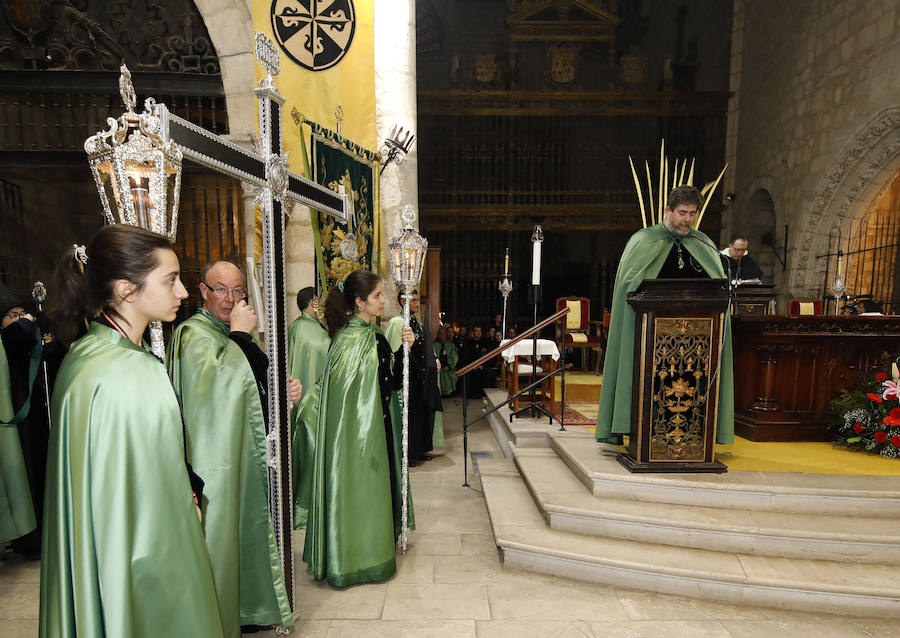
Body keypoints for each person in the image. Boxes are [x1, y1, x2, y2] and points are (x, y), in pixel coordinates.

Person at [40, 225, 223, 637]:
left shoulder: (89, 354)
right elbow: (152, 505)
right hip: (140, 557)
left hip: (109, 552)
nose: (182, 293)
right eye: (171, 280)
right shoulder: (128, 370)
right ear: (126, 289)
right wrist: (187, 505)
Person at [167, 260, 295, 636]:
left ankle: (246, 609)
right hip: (213, 461)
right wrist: (239, 335)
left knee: (245, 528)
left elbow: (250, 387)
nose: (231, 298)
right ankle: (220, 613)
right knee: (222, 534)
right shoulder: (194, 334)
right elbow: (214, 392)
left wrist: (281, 394)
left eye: (238, 290)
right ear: (203, 291)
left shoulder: (231, 332)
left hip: (240, 451)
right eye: (221, 289)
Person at [596, 185, 734, 445]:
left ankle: (693, 436)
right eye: (683, 213)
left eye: (693, 213)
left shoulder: (703, 243)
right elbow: (629, 288)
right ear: (668, 210)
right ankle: (648, 434)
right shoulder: (644, 240)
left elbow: (717, 287)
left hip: (697, 341)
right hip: (652, 339)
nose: (688, 220)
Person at [303, 270, 415, 588]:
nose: (383, 301)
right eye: (378, 295)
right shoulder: (359, 341)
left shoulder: (353, 338)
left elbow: (385, 384)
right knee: (363, 491)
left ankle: (354, 551)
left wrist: (406, 351)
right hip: (366, 435)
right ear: (359, 301)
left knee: (355, 493)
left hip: (365, 433)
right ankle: (363, 557)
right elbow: (386, 386)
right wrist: (401, 355)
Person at [0, 283, 63, 559]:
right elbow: (15, 340)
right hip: (15, 427)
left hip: (40, 422)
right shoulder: (7, 341)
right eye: (11, 315)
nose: (19, 319)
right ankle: (28, 541)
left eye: (21, 313)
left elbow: (57, 357)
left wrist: (45, 332)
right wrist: (25, 324)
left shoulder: (27, 337)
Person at [288, 286, 330, 528]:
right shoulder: (300, 327)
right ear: (311, 302)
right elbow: (299, 360)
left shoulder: (319, 326)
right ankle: (306, 505)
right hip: (307, 400)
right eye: (318, 300)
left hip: (321, 394)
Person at [385, 290, 442, 463]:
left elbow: (424, 346)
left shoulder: (415, 321)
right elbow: (396, 351)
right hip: (407, 377)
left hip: (420, 377)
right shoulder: (397, 322)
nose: (418, 303)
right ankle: (406, 455)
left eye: (418, 300)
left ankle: (418, 450)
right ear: (403, 302)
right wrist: (402, 379)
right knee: (408, 417)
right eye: (414, 300)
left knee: (419, 417)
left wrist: (435, 358)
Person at [433, 325, 459, 396]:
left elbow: (454, 357)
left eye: (444, 334)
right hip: (437, 368)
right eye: (440, 334)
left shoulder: (451, 345)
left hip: (448, 368)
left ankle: (448, 393)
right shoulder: (434, 345)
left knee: (452, 376)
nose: (442, 335)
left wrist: (449, 366)